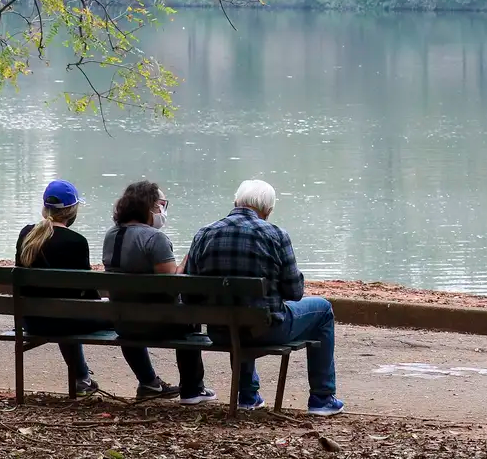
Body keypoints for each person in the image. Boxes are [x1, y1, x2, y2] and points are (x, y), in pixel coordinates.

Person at [184, 179, 344, 417]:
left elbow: (190, 294)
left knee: (236, 310)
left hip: (219, 330)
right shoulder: (275, 234)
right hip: (266, 331)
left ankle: (247, 395)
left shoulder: (204, 234)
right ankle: (322, 398)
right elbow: (294, 292)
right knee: (322, 309)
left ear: (235, 202)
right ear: (268, 211)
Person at [101, 180, 216, 404]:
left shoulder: (110, 235)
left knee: (131, 310)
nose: (163, 210)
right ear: (149, 206)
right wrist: (186, 263)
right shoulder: (155, 238)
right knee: (190, 315)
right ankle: (192, 389)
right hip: (160, 322)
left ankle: (148, 382)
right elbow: (170, 286)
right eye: (161, 205)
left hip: (123, 322)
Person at [14, 179, 104, 394]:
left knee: (64, 311)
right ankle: (147, 380)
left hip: (31, 320)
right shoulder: (77, 242)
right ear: (72, 211)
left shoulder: (26, 234)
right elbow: (87, 292)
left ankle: (82, 379)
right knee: (104, 314)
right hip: (64, 321)